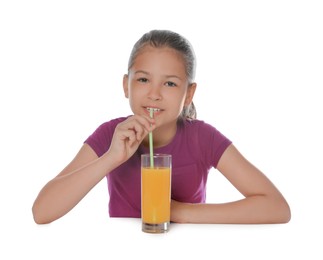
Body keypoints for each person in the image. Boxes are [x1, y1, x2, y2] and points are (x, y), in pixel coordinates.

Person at [32, 30, 291, 224]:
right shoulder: (111, 135)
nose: (154, 94)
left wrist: (177, 211)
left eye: (169, 84)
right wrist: (111, 158)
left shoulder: (203, 138)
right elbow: (42, 212)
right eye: (143, 79)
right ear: (126, 85)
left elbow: (277, 208)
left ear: (188, 94)